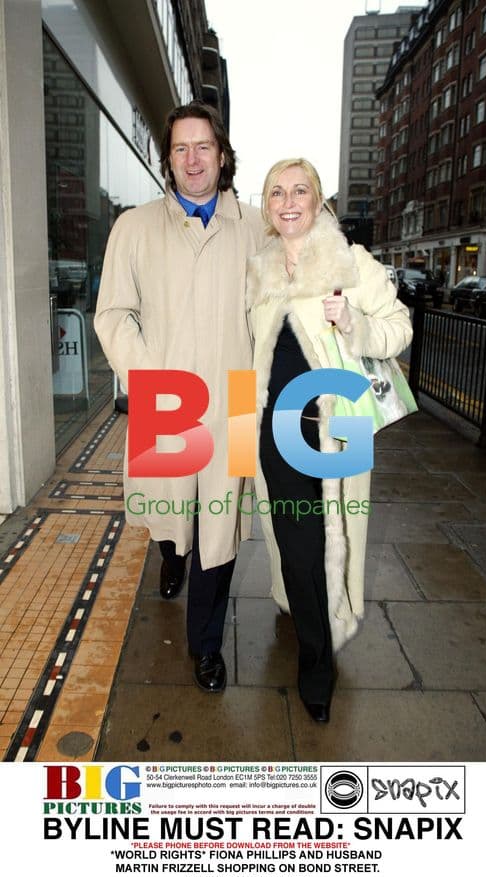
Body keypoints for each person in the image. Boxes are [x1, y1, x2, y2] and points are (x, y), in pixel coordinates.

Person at [94, 101, 266, 693]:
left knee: (220, 529)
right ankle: (170, 553)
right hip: (167, 401)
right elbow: (114, 315)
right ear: (167, 159)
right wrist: (150, 382)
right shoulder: (134, 228)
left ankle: (207, 645)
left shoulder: (256, 227)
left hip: (235, 402)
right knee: (174, 517)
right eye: (180, 148)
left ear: (223, 155)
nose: (193, 160)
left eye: (204, 147)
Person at [246, 159, 413, 723]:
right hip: (277, 428)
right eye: (277, 192)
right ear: (266, 206)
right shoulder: (259, 270)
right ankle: (315, 658)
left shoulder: (350, 261)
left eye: (300, 191)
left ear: (317, 201)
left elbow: (399, 327)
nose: (288, 201)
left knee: (330, 536)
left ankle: (320, 640)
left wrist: (355, 326)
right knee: (298, 541)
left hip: (336, 429)